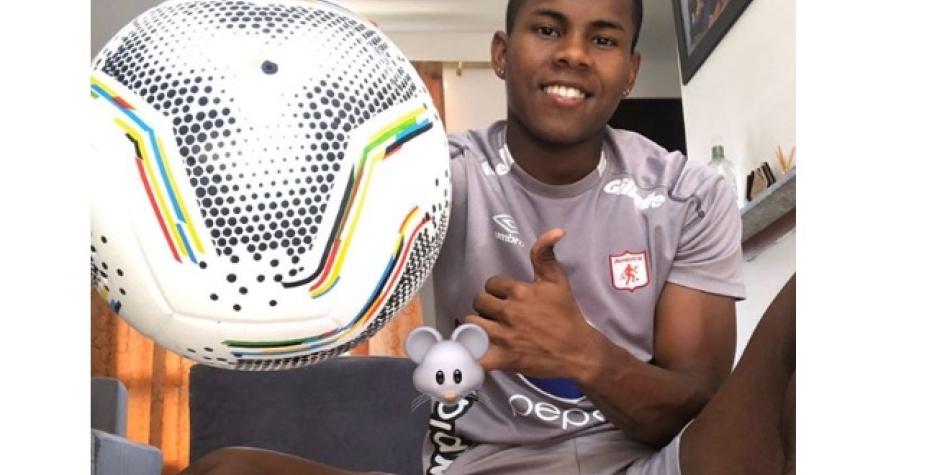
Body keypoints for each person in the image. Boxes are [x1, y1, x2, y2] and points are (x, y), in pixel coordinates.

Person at [182, 0, 795, 474]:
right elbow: (310, 244)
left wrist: (582, 354)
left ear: (630, 71)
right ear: (502, 53)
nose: (574, 54)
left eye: (603, 39)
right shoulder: (430, 174)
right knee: (227, 469)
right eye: (548, 29)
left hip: (648, 466)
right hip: (480, 467)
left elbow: (696, 413)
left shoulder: (689, 193)